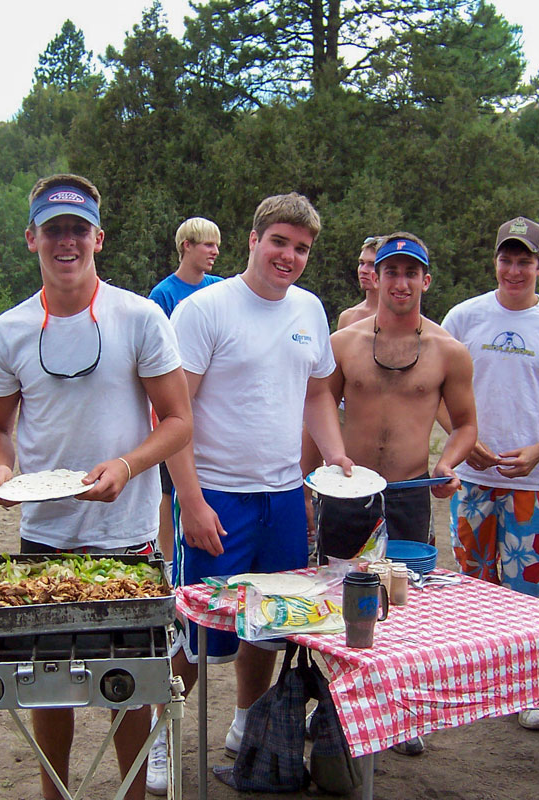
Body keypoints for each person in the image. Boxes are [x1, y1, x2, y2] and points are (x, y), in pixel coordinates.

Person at [0, 173, 191, 800]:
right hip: (44, 531)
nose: (65, 242)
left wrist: (126, 465)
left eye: (77, 229)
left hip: (125, 533)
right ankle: (54, 794)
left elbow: (178, 423)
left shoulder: (140, 317)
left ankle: (129, 794)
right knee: (49, 681)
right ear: (31, 240)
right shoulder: (8, 331)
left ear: (98, 237)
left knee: (127, 683)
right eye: (53, 231)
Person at [164, 192, 352, 767]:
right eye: (279, 242)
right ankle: (162, 740)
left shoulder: (309, 310)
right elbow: (173, 414)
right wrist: (191, 503)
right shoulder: (205, 309)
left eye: (301, 248)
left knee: (269, 623)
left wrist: (336, 457)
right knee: (194, 629)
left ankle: (246, 722)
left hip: (283, 495)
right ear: (253, 239)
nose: (289, 256)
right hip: (216, 493)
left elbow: (318, 391)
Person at [302, 231, 478, 756]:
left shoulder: (450, 351)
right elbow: (315, 417)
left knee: (401, 606)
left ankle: (399, 714)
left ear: (426, 280)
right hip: (344, 492)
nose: (400, 283)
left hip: (407, 494)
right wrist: (306, 489)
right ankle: (334, 707)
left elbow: (466, 425)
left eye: (410, 273)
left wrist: (447, 462)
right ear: (374, 278)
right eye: (390, 272)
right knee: (335, 601)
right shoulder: (342, 345)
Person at [440, 215, 539, 731]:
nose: (514, 270)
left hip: (532, 479)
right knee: (471, 583)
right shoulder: (463, 317)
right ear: (495, 262)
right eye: (506, 259)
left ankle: (529, 688)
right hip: (476, 475)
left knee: (524, 586)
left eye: (524, 260)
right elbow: (438, 390)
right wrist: (465, 441)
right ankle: (476, 682)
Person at [147, 217, 223, 565]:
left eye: (217, 245)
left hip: (212, 406)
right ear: (186, 246)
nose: (215, 251)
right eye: (208, 244)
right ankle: (166, 555)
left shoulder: (219, 288)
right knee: (167, 485)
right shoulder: (164, 295)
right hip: (173, 404)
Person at [336, 235, 380, 329]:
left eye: (372, 264)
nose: (363, 270)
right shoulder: (348, 317)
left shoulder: (402, 317)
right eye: (361, 263)